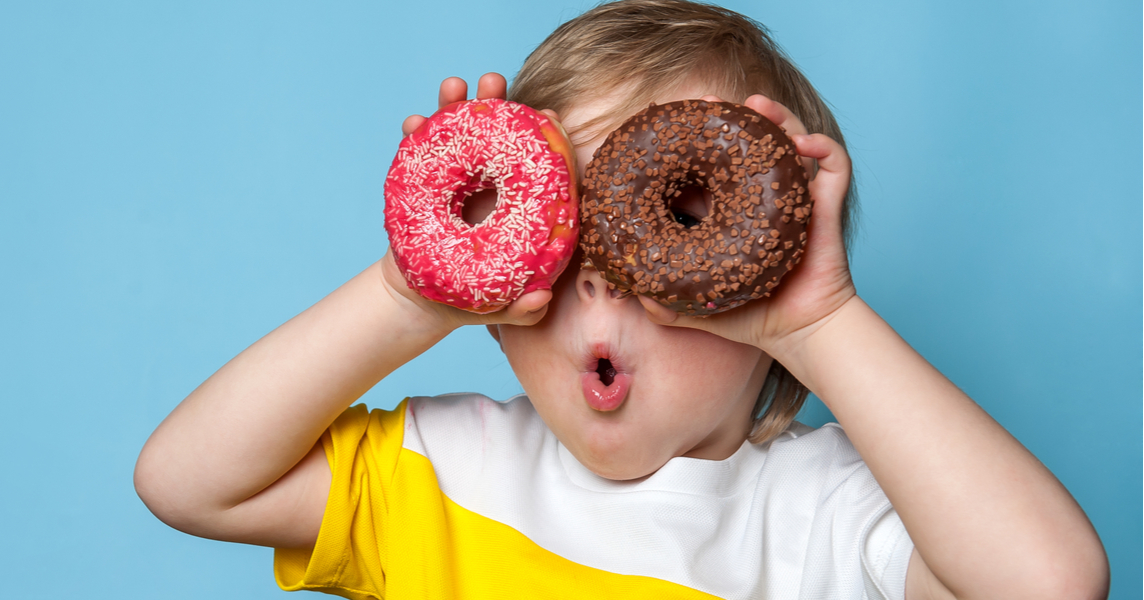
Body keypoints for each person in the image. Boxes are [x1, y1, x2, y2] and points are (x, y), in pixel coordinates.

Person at [134, 1, 1109, 598]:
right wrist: (413, 293)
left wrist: (817, 324)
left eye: (676, 222)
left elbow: (1047, 585)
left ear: (764, 263)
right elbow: (187, 480)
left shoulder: (823, 519)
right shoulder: (443, 476)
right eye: (557, 228)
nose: (600, 270)